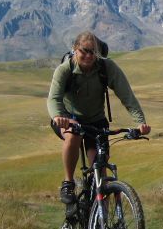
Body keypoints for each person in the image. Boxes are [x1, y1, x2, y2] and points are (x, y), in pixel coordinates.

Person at [47, 31, 151, 217]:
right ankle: (68, 183)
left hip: (96, 120)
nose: (89, 56)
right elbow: (53, 99)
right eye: (84, 51)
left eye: (93, 52)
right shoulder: (65, 69)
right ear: (74, 49)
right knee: (73, 135)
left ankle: (99, 213)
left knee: (100, 164)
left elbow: (127, 96)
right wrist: (58, 117)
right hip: (69, 118)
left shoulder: (106, 67)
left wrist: (140, 122)